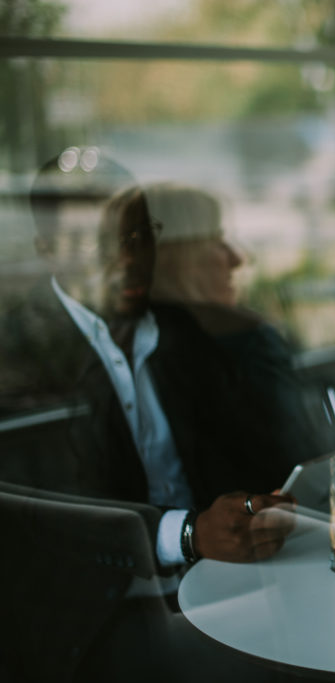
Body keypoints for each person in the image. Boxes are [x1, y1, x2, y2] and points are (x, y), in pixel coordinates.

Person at [0, 147, 295, 681]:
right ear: (47, 252)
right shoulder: (18, 356)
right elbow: (46, 519)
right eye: (99, 243)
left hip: (217, 579)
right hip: (97, 610)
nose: (129, 259)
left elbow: (266, 448)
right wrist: (185, 534)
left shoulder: (186, 332)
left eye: (138, 237)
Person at [140, 181, 335, 459]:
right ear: (179, 259)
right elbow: (307, 464)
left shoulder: (144, 349)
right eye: (217, 240)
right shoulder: (243, 345)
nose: (238, 258)